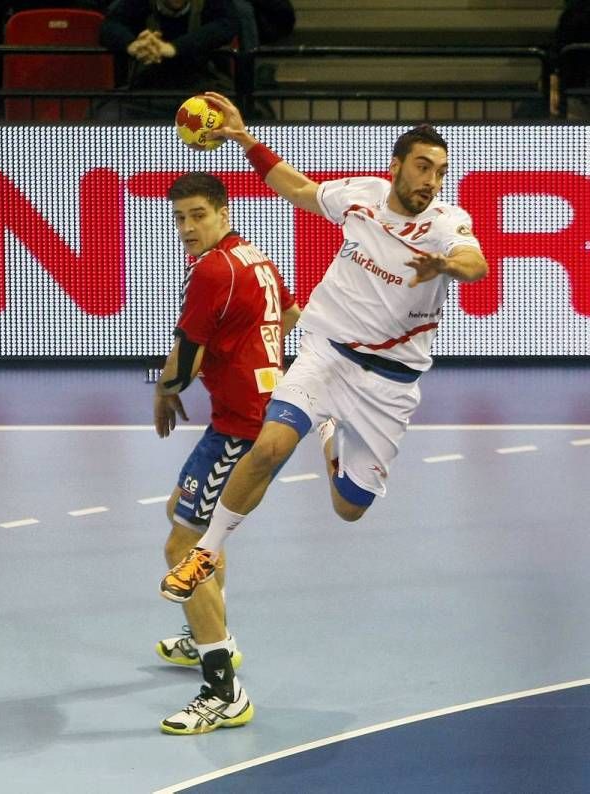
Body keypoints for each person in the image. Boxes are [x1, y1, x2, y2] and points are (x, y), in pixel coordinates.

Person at [159, 95, 488, 613]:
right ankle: (206, 550)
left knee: (349, 508)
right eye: (423, 167)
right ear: (396, 166)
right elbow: (297, 188)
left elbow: (476, 265)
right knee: (269, 447)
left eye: (441, 172)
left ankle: (330, 435)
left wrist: (445, 266)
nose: (432, 180)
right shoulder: (362, 196)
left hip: (390, 382)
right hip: (326, 351)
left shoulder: (447, 225)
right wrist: (245, 139)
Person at [154, 171, 300, 734]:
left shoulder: (213, 270)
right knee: (184, 515)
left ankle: (222, 688)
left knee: (181, 549)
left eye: (198, 215)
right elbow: (289, 317)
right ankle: (203, 630)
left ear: (222, 212)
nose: (188, 227)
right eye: (180, 218)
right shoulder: (253, 257)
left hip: (240, 430)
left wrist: (162, 397)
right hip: (252, 414)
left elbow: (185, 362)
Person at [99, 0, 239, 117]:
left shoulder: (211, 4)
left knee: (234, 114)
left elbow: (226, 24)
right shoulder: (139, 3)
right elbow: (110, 26)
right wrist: (133, 45)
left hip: (202, 87)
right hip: (148, 89)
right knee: (107, 114)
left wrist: (175, 48)